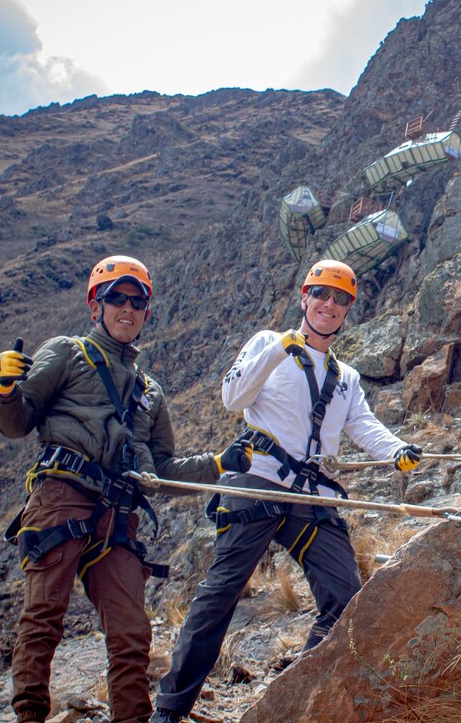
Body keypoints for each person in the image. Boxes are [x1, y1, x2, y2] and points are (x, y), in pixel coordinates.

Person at [151, 259, 423, 723]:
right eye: (322, 294)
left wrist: (397, 450)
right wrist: (280, 349)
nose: (329, 305)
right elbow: (233, 398)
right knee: (220, 596)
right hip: (257, 481)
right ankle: (169, 712)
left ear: (348, 309)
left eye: (341, 299)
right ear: (304, 296)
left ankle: (295, 699)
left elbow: (363, 425)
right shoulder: (265, 344)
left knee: (346, 598)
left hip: (310, 494)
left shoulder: (348, 378)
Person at [0, 255, 240, 723]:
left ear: (147, 312)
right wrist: (5, 388)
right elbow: (18, 420)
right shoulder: (66, 353)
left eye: (137, 300)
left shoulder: (151, 392)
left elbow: (162, 470)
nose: (127, 307)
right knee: (43, 619)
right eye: (116, 298)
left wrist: (219, 465)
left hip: (118, 517)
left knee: (131, 635)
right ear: (95, 306)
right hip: (61, 498)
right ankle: (28, 715)